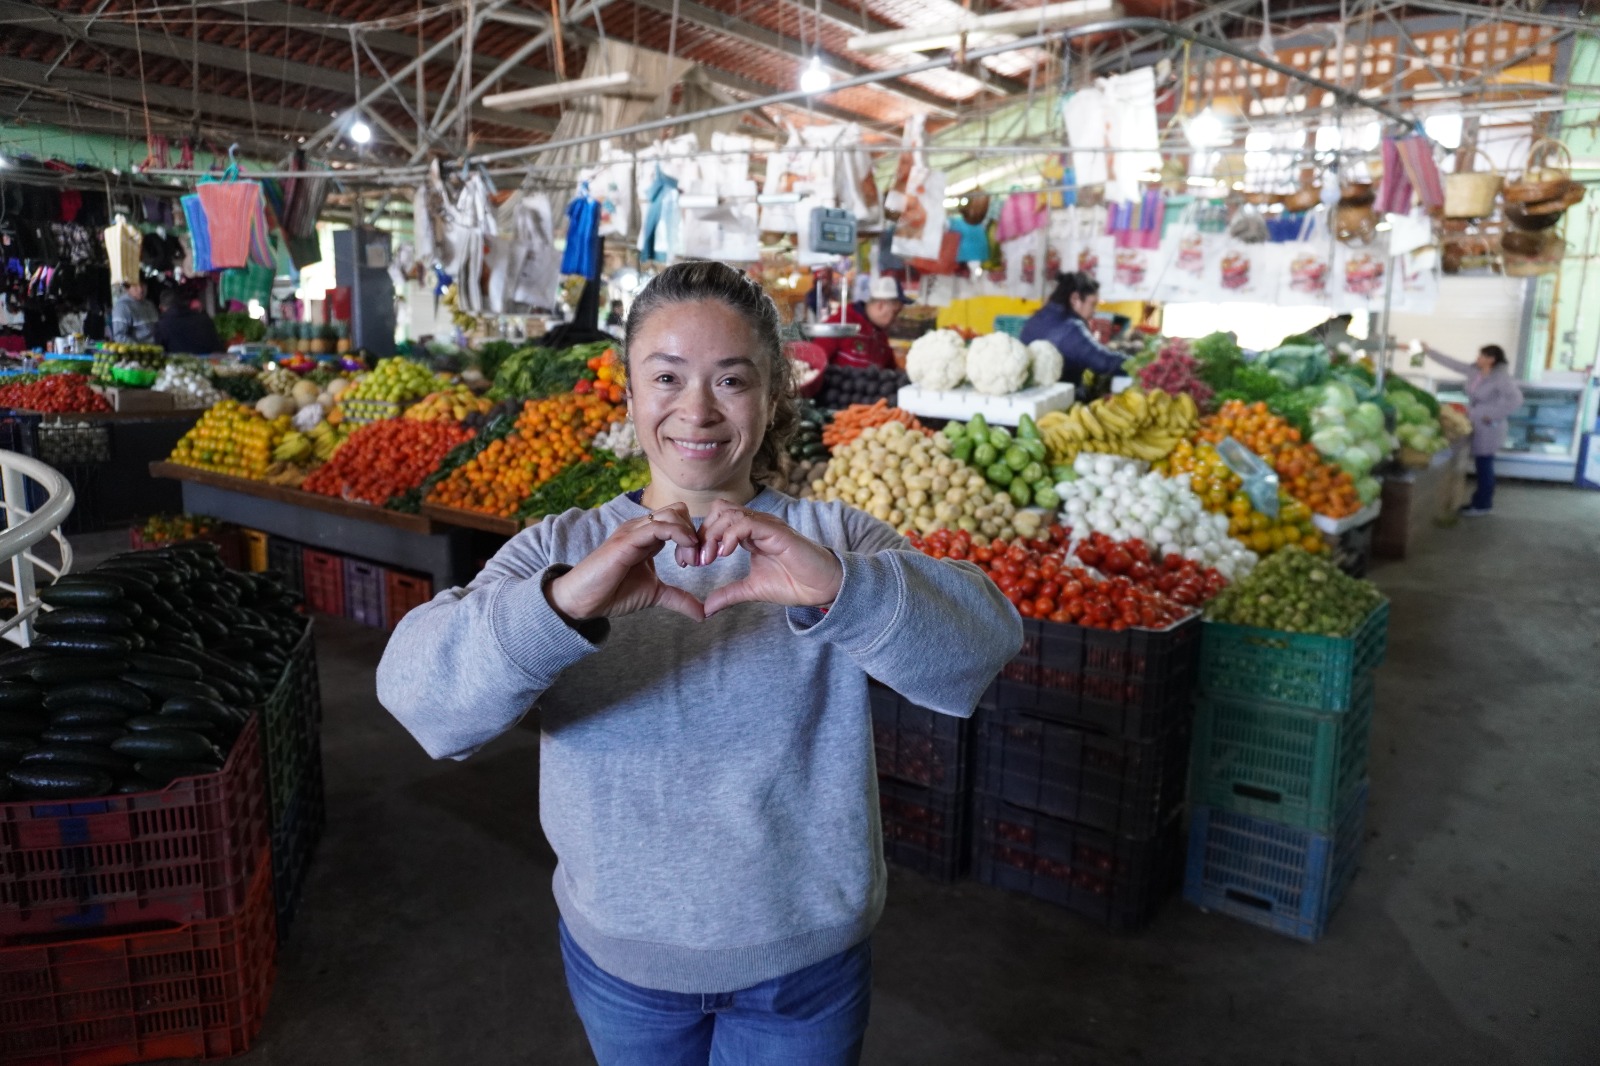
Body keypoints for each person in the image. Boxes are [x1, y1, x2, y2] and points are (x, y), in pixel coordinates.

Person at [377, 261, 1020, 1066]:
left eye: (732, 380)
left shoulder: (837, 536)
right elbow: (420, 701)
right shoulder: (560, 550)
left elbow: (984, 645)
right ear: (631, 395)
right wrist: (564, 606)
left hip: (805, 965)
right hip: (625, 961)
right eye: (668, 378)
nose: (698, 410)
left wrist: (835, 587)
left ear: (775, 392)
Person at [1424, 342, 1524, 515]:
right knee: (1477, 462)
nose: (1477, 359)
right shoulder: (1475, 371)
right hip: (1473, 419)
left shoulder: (1501, 378)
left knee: (1484, 464)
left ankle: (1482, 505)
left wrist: (1492, 414)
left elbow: (1516, 400)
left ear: (1491, 360)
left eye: (1481, 356)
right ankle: (1478, 502)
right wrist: (1429, 352)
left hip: (1489, 426)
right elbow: (1453, 364)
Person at [1019, 271, 1127, 385]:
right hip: (1061, 398)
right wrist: (1138, 364)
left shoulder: (1036, 318)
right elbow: (1105, 362)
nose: (1094, 312)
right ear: (1075, 299)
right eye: (1093, 304)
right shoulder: (1070, 329)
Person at [811, 274, 904, 369]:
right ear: (880, 305)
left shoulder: (882, 339)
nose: (895, 320)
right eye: (895, 313)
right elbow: (813, 364)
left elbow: (891, 373)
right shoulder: (840, 324)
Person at [153, 290, 223, 355]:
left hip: (178, 366)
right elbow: (217, 348)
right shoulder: (204, 319)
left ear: (161, 308)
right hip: (209, 364)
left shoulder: (161, 326)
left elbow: (159, 354)